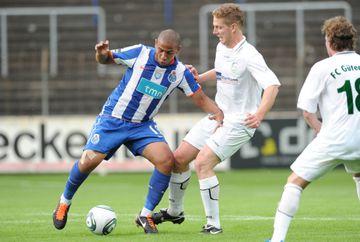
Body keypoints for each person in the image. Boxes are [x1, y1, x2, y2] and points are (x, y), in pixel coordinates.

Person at [52, 29, 224, 234]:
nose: (163, 55)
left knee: (166, 160)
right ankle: (64, 202)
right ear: (155, 44)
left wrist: (220, 115)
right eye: (160, 50)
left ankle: (146, 214)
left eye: (169, 52)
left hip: (142, 126)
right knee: (89, 160)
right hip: (113, 119)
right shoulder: (140, 53)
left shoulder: (180, 72)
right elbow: (106, 59)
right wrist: (101, 53)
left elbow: (200, 98)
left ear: (178, 50)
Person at [152, 3, 280, 234]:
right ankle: (175, 212)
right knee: (179, 158)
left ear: (233, 27)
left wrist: (260, 113)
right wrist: (199, 77)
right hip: (219, 115)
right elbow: (222, 72)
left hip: (240, 121)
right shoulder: (222, 47)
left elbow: (272, 85)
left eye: (219, 27)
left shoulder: (250, 55)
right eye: (214, 26)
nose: (215, 31)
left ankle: (213, 224)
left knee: (202, 163)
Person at [266, 16, 360, 242]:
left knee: (294, 182)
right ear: (351, 40)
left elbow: (307, 111)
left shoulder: (322, 67)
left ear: (329, 40)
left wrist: (320, 129)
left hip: (334, 138)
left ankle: (277, 240)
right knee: (359, 176)